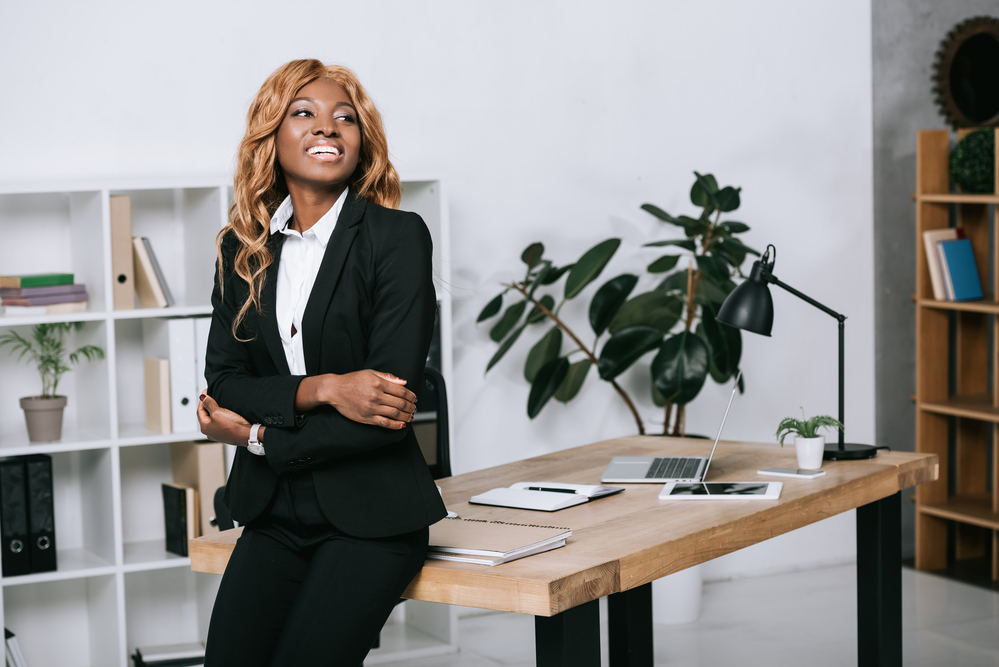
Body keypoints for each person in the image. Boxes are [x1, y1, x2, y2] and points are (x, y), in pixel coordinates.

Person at [196, 59, 446, 666]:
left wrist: (257, 435)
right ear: (272, 138)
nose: (327, 128)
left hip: (372, 518)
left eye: (345, 119)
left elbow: (384, 407)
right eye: (303, 114)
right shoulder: (242, 248)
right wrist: (325, 389)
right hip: (273, 512)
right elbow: (225, 381)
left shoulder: (396, 237)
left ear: (362, 142)